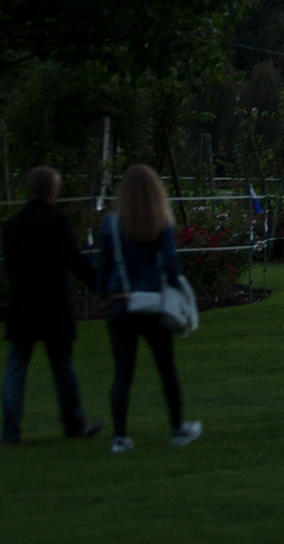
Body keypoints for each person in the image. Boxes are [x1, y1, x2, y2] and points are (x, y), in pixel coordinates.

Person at [97, 164, 200, 453]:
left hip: (121, 303)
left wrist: (103, 293)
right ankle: (177, 427)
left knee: (123, 373)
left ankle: (120, 436)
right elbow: (170, 265)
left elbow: (103, 265)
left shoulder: (111, 225)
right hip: (152, 303)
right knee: (166, 368)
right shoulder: (160, 224)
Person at [0, 166, 102, 445]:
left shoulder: (12, 226)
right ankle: (73, 423)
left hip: (22, 305)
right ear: (52, 190)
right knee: (63, 368)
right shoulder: (57, 222)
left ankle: (10, 431)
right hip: (53, 306)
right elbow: (73, 259)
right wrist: (100, 283)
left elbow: (10, 267)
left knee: (16, 369)